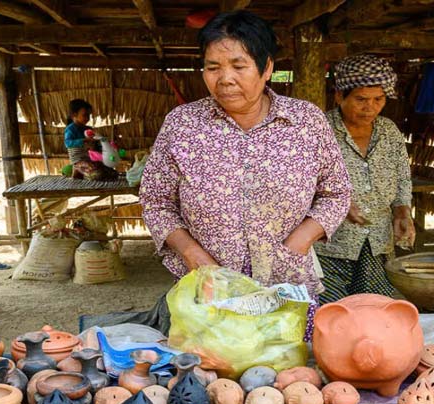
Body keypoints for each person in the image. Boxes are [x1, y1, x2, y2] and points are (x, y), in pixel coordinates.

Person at [139, 10, 352, 301]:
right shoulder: (183, 124)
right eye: (213, 67)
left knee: (287, 346)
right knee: (211, 348)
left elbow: (336, 193)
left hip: (286, 283)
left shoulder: (305, 121)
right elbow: (156, 201)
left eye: (239, 66)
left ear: (267, 68)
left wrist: (299, 243)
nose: (225, 79)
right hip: (208, 286)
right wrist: (191, 253)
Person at [314, 54, 415, 303]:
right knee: (332, 313)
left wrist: (402, 212)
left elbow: (402, 176)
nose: (370, 107)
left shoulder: (389, 131)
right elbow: (297, 182)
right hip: (330, 245)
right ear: (339, 96)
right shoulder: (319, 130)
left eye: (378, 99)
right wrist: (335, 203)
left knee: (373, 310)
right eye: (361, 99)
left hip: (378, 241)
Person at [64, 98, 93, 163]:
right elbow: (67, 143)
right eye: (85, 115)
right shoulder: (70, 129)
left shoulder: (88, 129)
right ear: (74, 114)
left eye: (89, 115)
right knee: (97, 172)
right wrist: (83, 140)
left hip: (89, 159)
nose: (87, 118)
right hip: (78, 161)